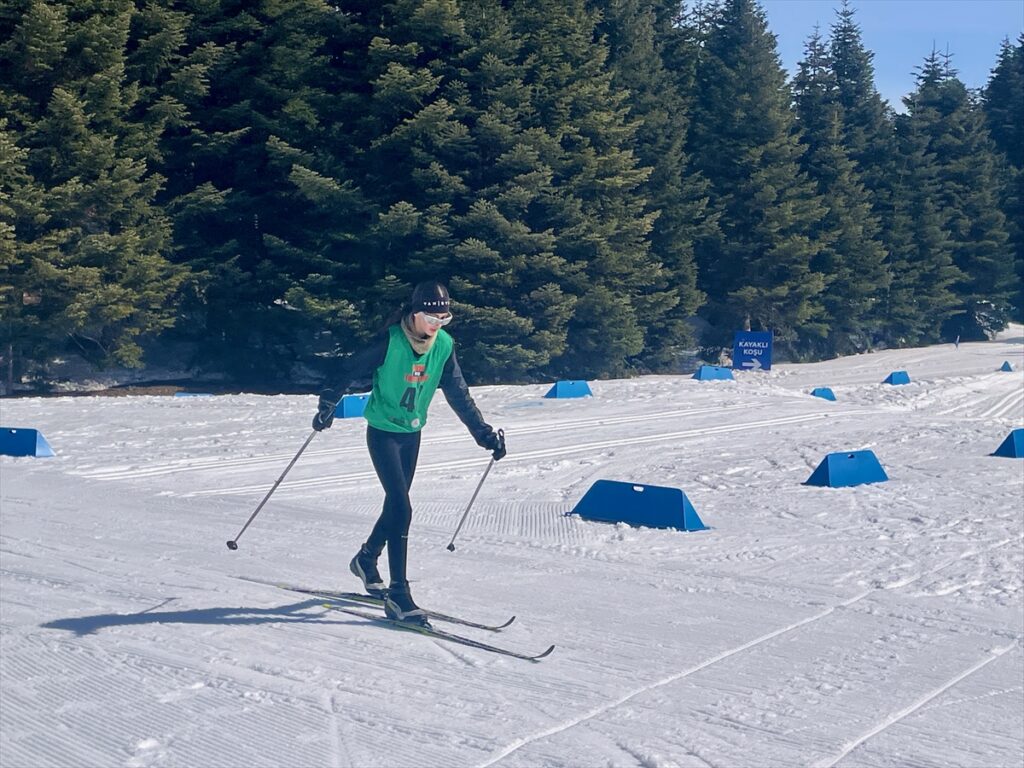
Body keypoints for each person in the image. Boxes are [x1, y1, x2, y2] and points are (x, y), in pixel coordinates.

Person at [311, 280, 506, 627]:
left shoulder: (443, 346)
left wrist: (483, 433)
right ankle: (399, 595)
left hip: (411, 434)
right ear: (413, 314)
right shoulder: (390, 341)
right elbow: (345, 370)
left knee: (395, 506)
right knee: (402, 507)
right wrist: (329, 400)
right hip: (384, 433)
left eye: (442, 320)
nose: (435, 326)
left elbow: (458, 392)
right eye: (430, 319)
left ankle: (367, 560)